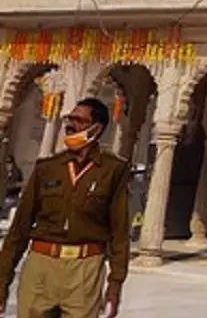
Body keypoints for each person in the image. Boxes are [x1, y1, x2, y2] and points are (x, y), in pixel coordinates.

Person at [0, 98, 130, 318]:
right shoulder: (48, 168)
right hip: (42, 265)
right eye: (69, 119)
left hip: (84, 270)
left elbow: (119, 232)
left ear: (96, 129)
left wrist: (115, 285)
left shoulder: (112, 170)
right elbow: (19, 229)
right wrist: (2, 281)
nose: (70, 125)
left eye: (79, 120)